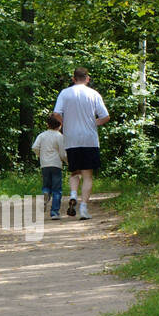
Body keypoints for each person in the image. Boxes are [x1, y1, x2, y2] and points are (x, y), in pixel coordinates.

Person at [52, 67, 110, 220]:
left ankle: (72, 194)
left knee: (74, 171)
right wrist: (93, 123)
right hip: (89, 139)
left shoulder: (65, 93)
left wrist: (65, 123)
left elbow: (56, 113)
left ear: (73, 79)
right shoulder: (94, 94)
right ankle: (83, 207)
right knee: (87, 175)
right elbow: (105, 116)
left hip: (71, 138)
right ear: (87, 79)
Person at [31, 113, 67, 220]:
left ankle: (45, 194)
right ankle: (54, 212)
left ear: (47, 124)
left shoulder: (42, 135)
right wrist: (67, 162)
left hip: (44, 165)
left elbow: (35, 147)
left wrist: (40, 155)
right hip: (56, 165)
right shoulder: (60, 136)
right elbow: (62, 153)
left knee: (46, 185)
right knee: (57, 189)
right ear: (60, 125)